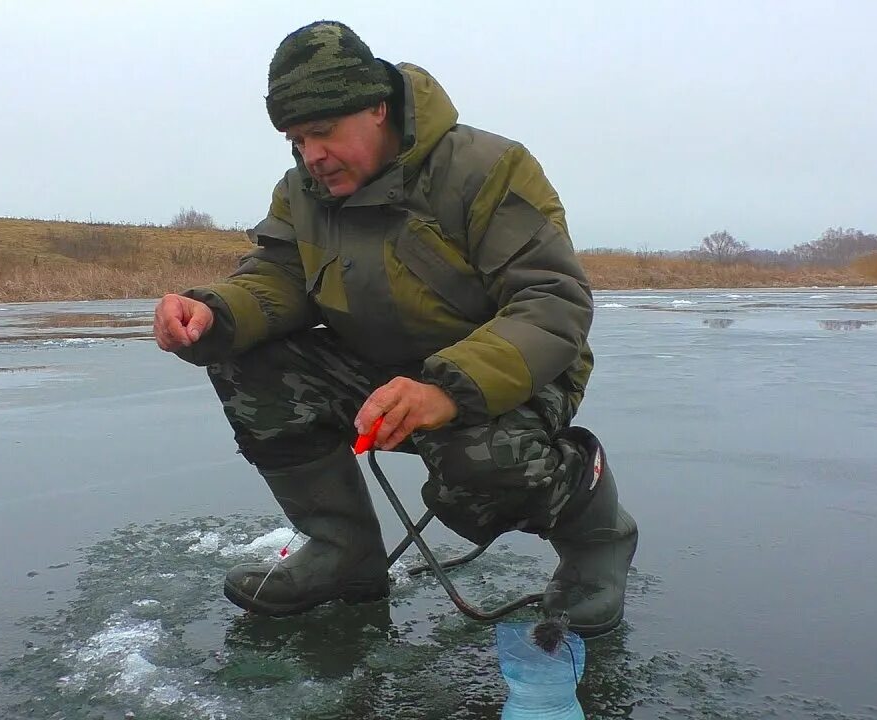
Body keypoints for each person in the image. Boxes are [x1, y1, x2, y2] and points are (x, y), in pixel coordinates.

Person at [153, 20, 637, 638]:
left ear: (378, 107)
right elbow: (276, 278)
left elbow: (552, 303)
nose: (311, 156)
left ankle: (596, 537)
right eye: (296, 139)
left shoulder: (489, 169)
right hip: (381, 371)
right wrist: (214, 313)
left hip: (510, 376)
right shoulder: (302, 190)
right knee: (245, 359)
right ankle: (343, 552)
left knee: (477, 463)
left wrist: (445, 389)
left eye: (322, 132)